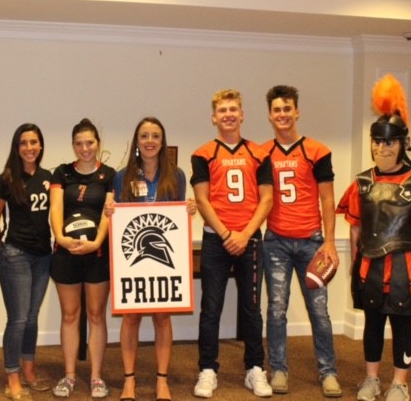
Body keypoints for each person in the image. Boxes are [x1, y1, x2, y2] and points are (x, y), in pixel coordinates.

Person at [337, 74, 411, 401]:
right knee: (372, 324)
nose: (380, 147)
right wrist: (354, 260)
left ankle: (400, 383)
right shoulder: (361, 182)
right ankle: (371, 379)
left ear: (402, 144)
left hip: (405, 268)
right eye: (376, 141)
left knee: (402, 326)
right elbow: (356, 223)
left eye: (388, 142)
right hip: (370, 267)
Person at [105, 117, 196, 401]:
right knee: (130, 317)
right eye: (144, 136)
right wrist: (110, 210)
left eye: (155, 136)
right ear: (137, 141)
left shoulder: (176, 175)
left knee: (162, 316)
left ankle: (162, 380)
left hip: (163, 258)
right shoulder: (122, 176)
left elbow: (178, 215)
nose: (149, 141)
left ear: (162, 141)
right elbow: (118, 216)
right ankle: (129, 380)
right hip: (133, 258)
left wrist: (189, 208)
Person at [190, 89, 274, 398]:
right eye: (222, 110)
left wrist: (245, 234)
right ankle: (208, 369)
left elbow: (267, 200)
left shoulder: (259, 153)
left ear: (242, 115)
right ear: (214, 117)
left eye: (233, 109)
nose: (228, 114)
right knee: (211, 307)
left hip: (249, 240)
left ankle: (255, 369)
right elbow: (201, 199)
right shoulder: (202, 154)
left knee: (252, 309)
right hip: (215, 241)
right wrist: (226, 235)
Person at [260, 85, 342, 397]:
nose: (282, 114)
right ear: (270, 115)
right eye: (277, 109)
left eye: (287, 108)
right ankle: (278, 369)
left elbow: (327, 198)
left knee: (319, 311)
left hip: (312, 241)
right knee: (277, 308)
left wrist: (330, 242)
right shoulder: (262, 153)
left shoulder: (317, 150)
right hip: (276, 240)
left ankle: (328, 371)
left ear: (297, 112)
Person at [49, 118, 115, 399]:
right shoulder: (61, 173)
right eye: (79, 143)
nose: (85, 148)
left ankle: (97, 377)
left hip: (97, 253)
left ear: (97, 144)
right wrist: (62, 240)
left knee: (97, 315)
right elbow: (55, 209)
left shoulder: (111, 174)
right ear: (73, 145)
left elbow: (109, 213)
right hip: (66, 254)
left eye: (89, 142)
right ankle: (70, 375)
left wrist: (97, 242)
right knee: (70, 315)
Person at [0, 123, 53, 400]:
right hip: (15, 255)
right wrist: (0, 247)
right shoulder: (5, 180)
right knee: (18, 319)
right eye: (24, 143)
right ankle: (11, 375)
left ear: (40, 146)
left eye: (34, 142)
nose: (29, 148)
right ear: (17, 147)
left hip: (43, 255)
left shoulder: (49, 178)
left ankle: (29, 370)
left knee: (32, 318)